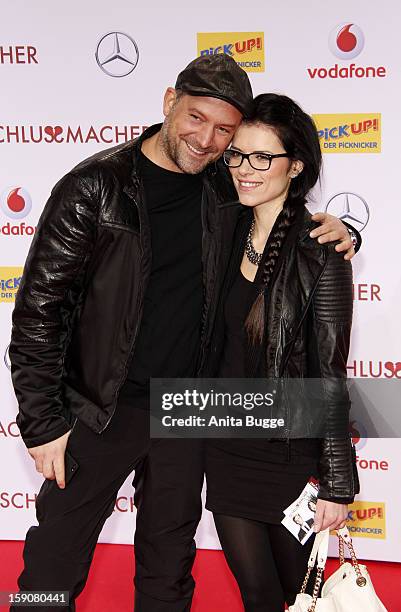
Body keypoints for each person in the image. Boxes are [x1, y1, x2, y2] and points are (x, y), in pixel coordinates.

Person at [9, 54, 357, 611]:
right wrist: (42, 421)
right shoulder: (94, 187)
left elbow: (281, 217)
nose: (208, 140)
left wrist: (343, 234)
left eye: (225, 131)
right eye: (197, 118)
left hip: (188, 409)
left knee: (167, 566)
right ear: (170, 103)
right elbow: (37, 314)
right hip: (101, 407)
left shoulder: (223, 185)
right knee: (52, 561)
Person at [204, 93, 359, 611]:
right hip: (226, 449)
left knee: (294, 599)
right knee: (257, 596)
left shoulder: (322, 252)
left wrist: (337, 481)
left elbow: (330, 372)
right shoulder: (223, 228)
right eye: (237, 154)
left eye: (263, 157)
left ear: (295, 166)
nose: (245, 170)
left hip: (291, 457)